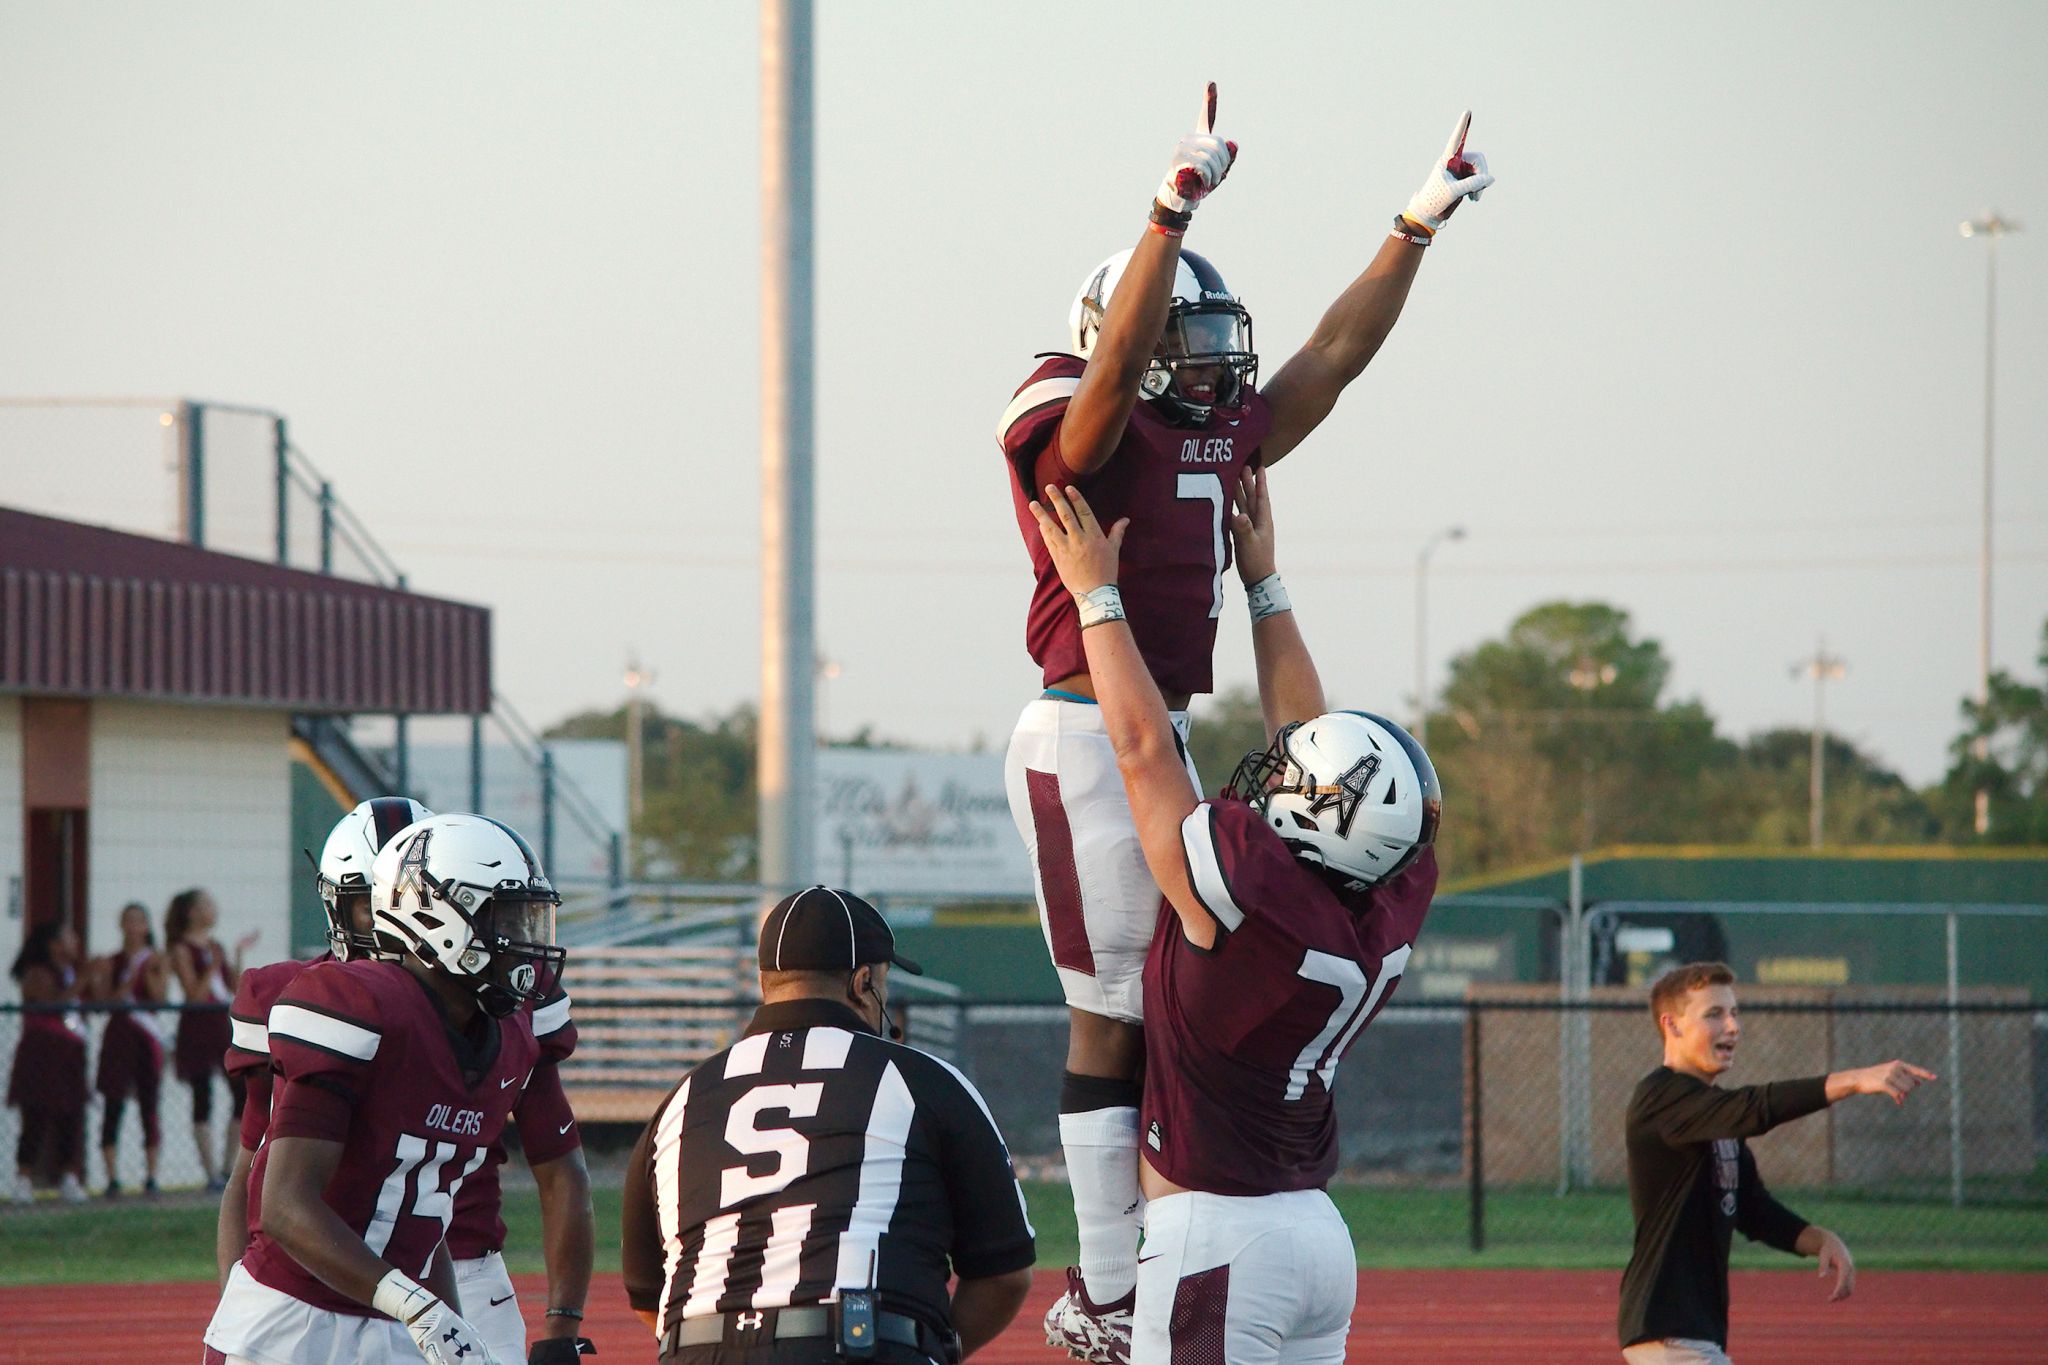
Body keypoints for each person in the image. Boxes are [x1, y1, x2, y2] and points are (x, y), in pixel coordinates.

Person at [995, 84, 1490, 1361]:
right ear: (1125, 328)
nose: (1214, 355)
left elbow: (1329, 358)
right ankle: (1107, 1291)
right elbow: (1104, 391)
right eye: (1183, 327)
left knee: (1165, 1009)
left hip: (1154, 727)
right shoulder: (1073, 413)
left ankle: (1122, 1274)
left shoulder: (1210, 429)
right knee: (1111, 1012)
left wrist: (1412, 226)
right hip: (1088, 730)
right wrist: (1166, 209)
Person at [1027, 471, 1438, 1364]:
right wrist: (1266, 587)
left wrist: (1097, 595)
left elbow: (1139, 749)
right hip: (1317, 1236)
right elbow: (1310, 738)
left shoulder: (1247, 893)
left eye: (1291, 786)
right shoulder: (1384, 890)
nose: (1274, 777)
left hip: (1219, 1236)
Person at [202, 812, 565, 1365]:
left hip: (394, 1321)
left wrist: (449, 1325)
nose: (524, 942)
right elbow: (282, 1203)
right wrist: (420, 1309)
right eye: (509, 921)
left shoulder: (507, 1037)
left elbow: (423, 1213)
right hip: (290, 1323)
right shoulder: (356, 1005)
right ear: (441, 915)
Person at [620, 885, 1036, 1364]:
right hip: (857, 1341)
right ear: (862, 983)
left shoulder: (683, 1098)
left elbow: (647, 1292)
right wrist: (932, 1350)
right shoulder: (922, 1080)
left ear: (766, 983)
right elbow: (1004, 1272)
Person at [1618, 962, 1937, 1364]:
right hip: (1669, 1335)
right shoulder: (1660, 1099)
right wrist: (1854, 1081)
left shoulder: (1714, 1117)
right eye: (1714, 1014)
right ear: (1672, 1025)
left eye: (1734, 1014)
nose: (1732, 1027)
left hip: (1695, 1335)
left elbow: (1753, 1211)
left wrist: (1819, 1239)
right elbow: (1755, 1109)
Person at [217, 795, 432, 1283]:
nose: (389, 926)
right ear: (337, 903)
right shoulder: (284, 999)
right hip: (290, 1282)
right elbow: (249, 1172)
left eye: (407, 903)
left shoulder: (475, 1015)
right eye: (368, 907)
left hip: (431, 1256)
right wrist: (232, 1300)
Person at [166, 886, 259, 1192]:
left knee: (240, 1094)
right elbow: (193, 992)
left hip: (221, 1024)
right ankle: (210, 1172)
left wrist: (237, 954)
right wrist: (210, 965)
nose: (213, 909)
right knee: (202, 1095)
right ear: (192, 912)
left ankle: (228, 1166)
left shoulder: (215, 946)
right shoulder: (181, 948)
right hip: (198, 1027)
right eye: (206, 904)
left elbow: (234, 985)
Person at [88, 901, 170, 1197]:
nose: (132, 926)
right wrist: (101, 975)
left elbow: (159, 997)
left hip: (144, 1037)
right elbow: (103, 1001)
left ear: (147, 927)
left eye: (138, 920)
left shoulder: (156, 959)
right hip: (119, 1034)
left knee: (150, 1105)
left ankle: (151, 1176)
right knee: (113, 1103)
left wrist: (147, 974)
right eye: (127, 920)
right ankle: (112, 1177)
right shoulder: (114, 961)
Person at [8, 920, 90, 1204]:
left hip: (69, 1054)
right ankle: (23, 1178)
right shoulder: (37, 973)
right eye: (68, 937)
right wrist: (83, 979)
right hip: (42, 1052)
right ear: (53, 945)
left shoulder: (70, 972)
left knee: (71, 1115)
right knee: (37, 1115)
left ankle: (69, 1176)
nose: (75, 942)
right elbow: (53, 1003)